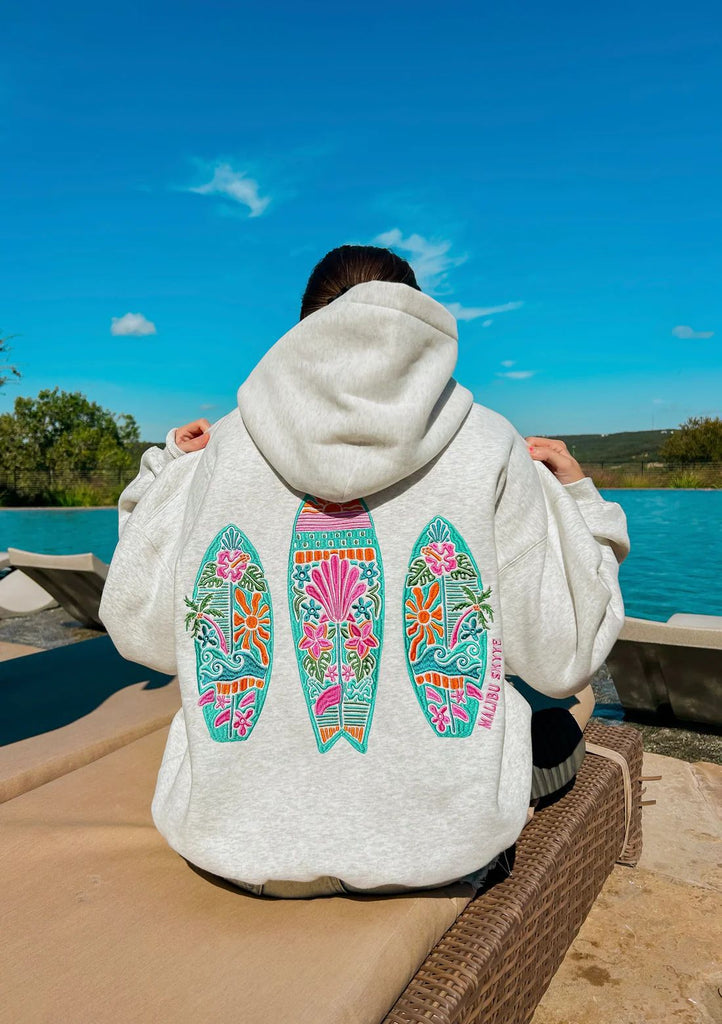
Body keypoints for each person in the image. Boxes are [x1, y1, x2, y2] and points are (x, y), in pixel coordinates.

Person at [99, 245, 629, 898]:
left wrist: (164, 473)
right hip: (435, 854)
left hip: (233, 848)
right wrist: (581, 503)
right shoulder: (490, 444)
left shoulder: (222, 450)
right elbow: (563, 654)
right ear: (419, 322)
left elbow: (146, 630)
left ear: (304, 326)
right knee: (563, 709)